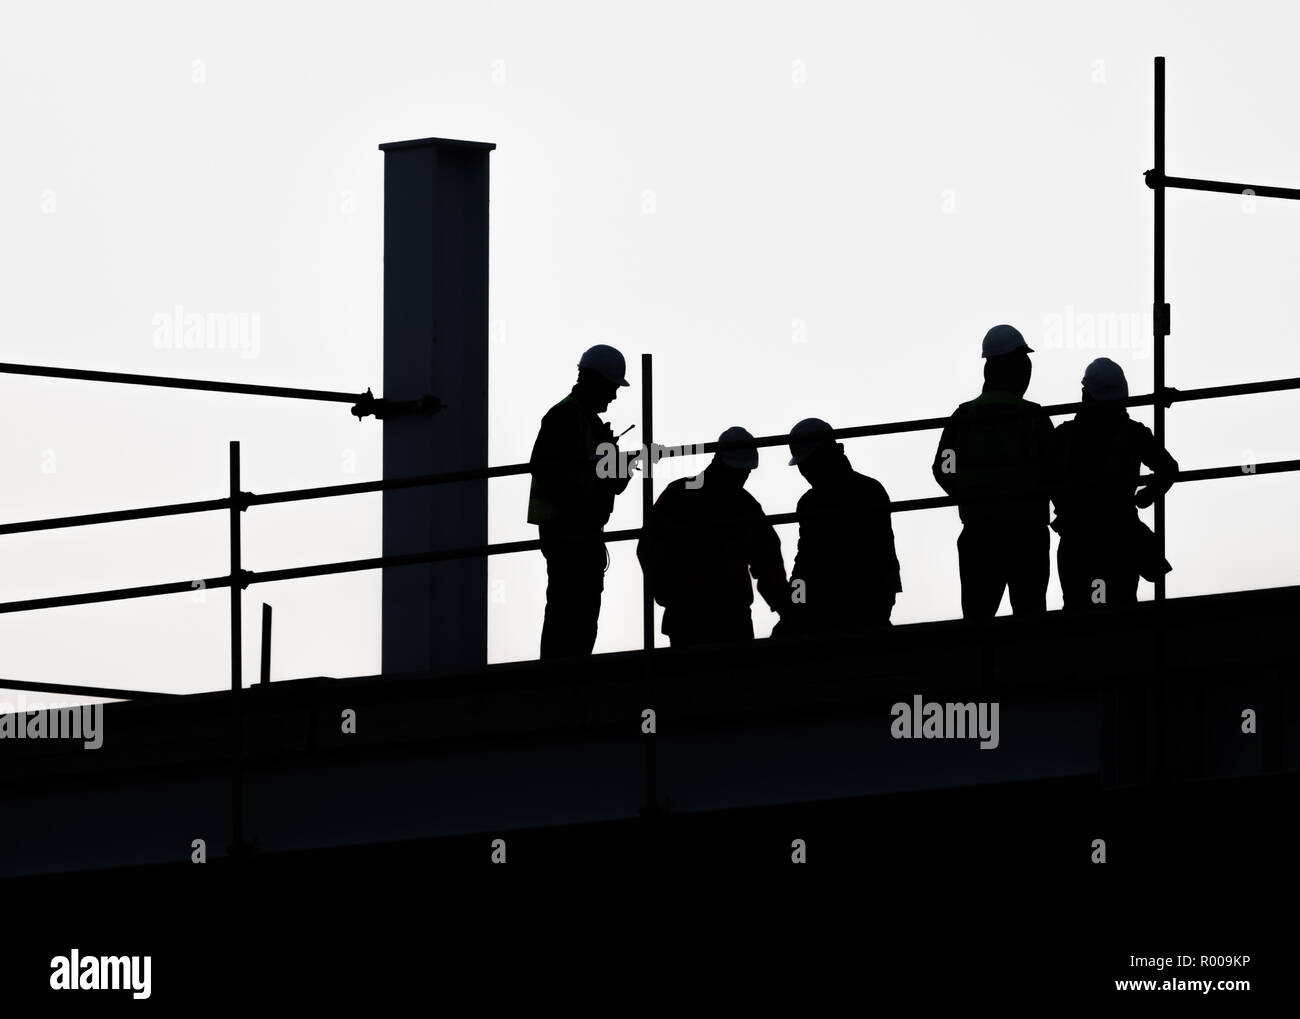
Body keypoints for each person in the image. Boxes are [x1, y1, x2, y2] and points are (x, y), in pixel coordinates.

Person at [931, 324, 1055, 619]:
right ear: (1016, 370)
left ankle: (979, 666)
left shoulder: (964, 418)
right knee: (1030, 618)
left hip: (980, 533)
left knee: (978, 621)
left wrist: (969, 496)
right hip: (1027, 534)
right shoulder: (1034, 419)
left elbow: (944, 467)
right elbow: (1056, 469)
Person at [527, 344, 638, 658]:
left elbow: (611, 484)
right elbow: (546, 469)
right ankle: (560, 679)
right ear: (597, 381)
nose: (614, 396)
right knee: (568, 610)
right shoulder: (564, 416)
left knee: (582, 611)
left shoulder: (586, 421)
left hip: (583, 532)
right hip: (567, 532)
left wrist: (616, 463)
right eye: (613, 387)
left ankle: (570, 675)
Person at [636, 427, 788, 646]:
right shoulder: (744, 506)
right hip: (726, 618)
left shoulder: (678, 494)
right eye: (741, 472)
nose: (743, 478)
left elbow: (649, 548)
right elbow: (767, 561)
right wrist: (786, 606)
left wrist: (668, 595)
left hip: (688, 617)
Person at [1052, 357, 1178, 609]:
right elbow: (1168, 468)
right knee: (1121, 613)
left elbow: (1047, 479)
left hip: (1078, 540)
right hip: (1121, 538)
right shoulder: (1133, 433)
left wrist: (1066, 506)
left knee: (1078, 613)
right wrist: (1147, 495)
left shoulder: (1064, 436)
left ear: (1085, 394)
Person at [776, 418, 901, 634]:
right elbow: (805, 563)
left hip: (848, 608)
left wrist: (794, 606)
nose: (804, 472)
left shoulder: (814, 502)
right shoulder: (870, 489)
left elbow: (807, 563)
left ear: (823, 457)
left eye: (806, 464)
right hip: (869, 605)